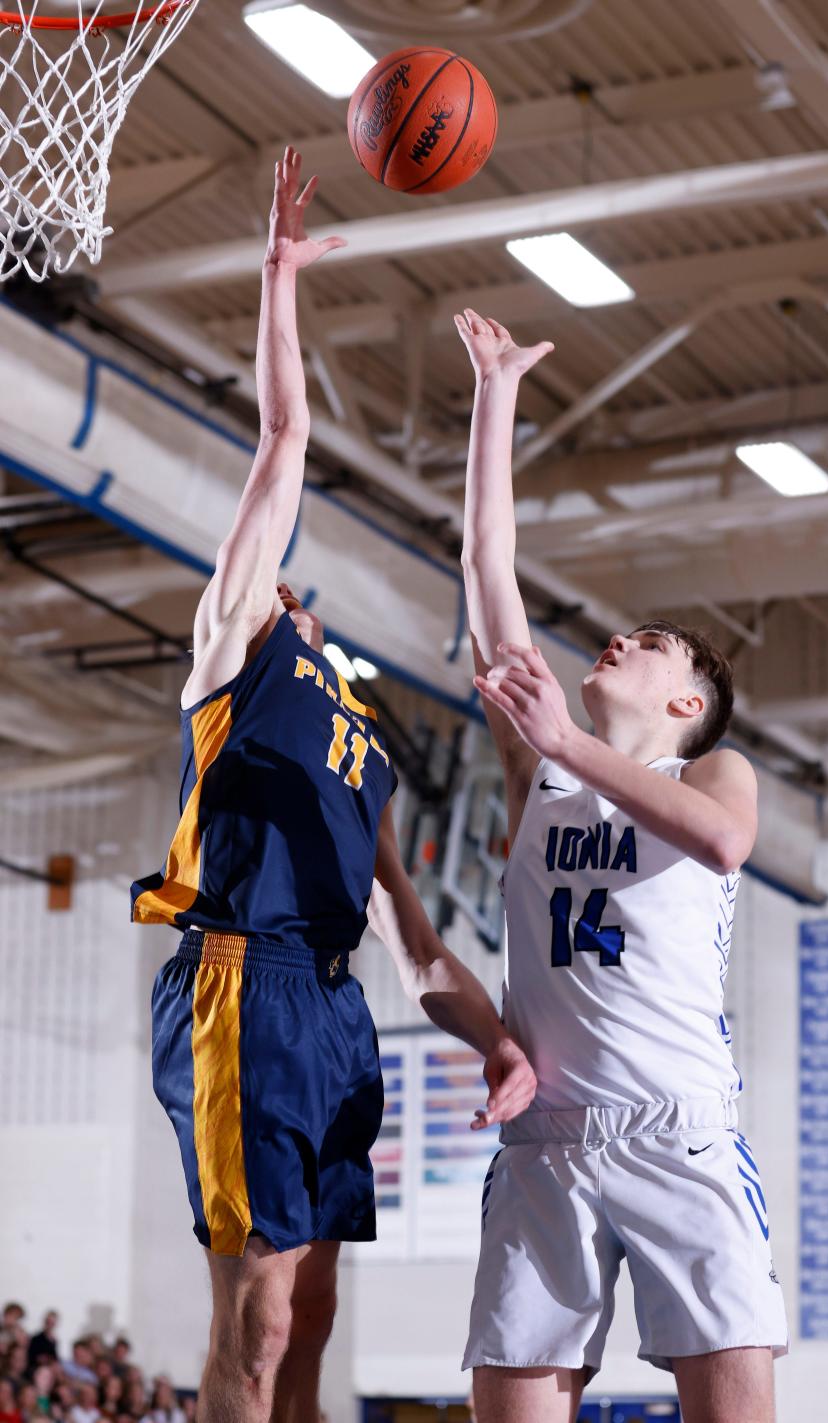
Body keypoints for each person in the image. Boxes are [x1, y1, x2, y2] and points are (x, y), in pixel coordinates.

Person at [130, 154, 535, 1423]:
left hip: (335, 1007)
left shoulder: (357, 730)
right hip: (240, 982)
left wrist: (496, 1041)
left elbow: (412, 937)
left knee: (312, 1319)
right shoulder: (230, 647)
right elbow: (286, 434)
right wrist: (278, 279)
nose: (286, 585)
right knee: (252, 1325)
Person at [453, 309, 788, 1423]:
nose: (620, 641)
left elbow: (727, 844)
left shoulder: (716, 772)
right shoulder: (540, 767)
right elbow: (487, 561)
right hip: (548, 1139)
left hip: (679, 1123)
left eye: (652, 644)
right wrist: (497, 398)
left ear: (688, 704)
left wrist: (566, 741)